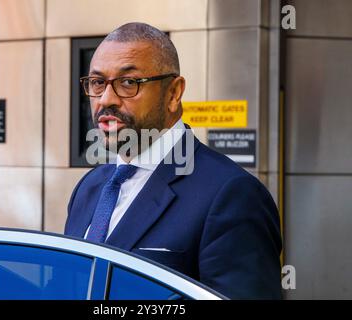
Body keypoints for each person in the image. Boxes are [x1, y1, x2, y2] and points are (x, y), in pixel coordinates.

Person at [64, 22, 282, 299]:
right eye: (97, 83)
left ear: (173, 93)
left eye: (129, 83)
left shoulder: (232, 194)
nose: (107, 99)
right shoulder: (90, 187)